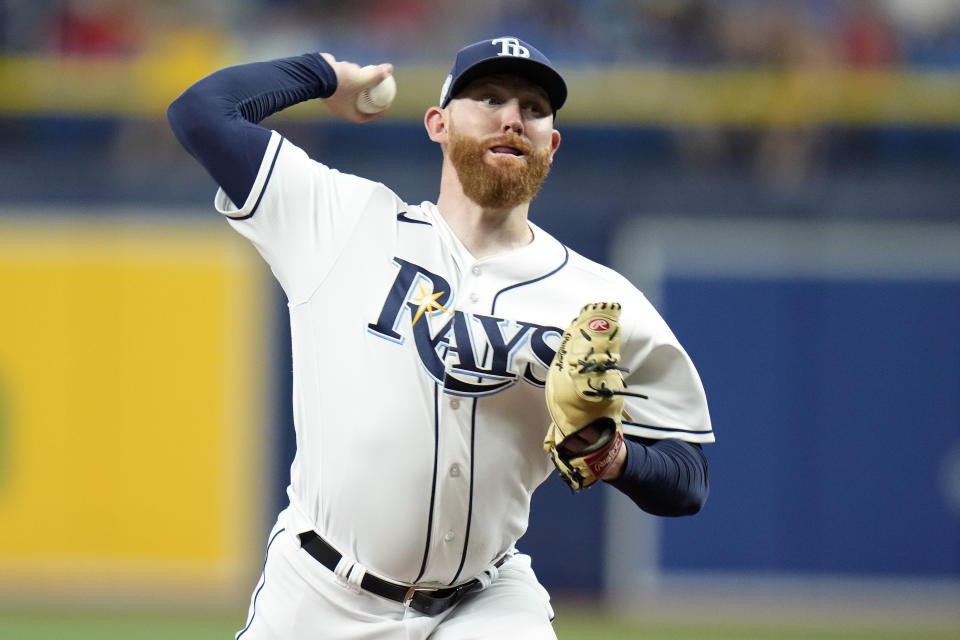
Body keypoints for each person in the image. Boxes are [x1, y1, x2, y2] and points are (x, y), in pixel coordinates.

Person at [168, 35, 713, 640]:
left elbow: (686, 476)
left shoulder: (598, 302)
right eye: (488, 97)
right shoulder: (343, 223)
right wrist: (325, 75)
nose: (512, 117)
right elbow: (200, 112)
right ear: (438, 123)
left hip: (485, 605)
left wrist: (615, 458)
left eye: (534, 109)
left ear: (550, 145)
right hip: (320, 595)